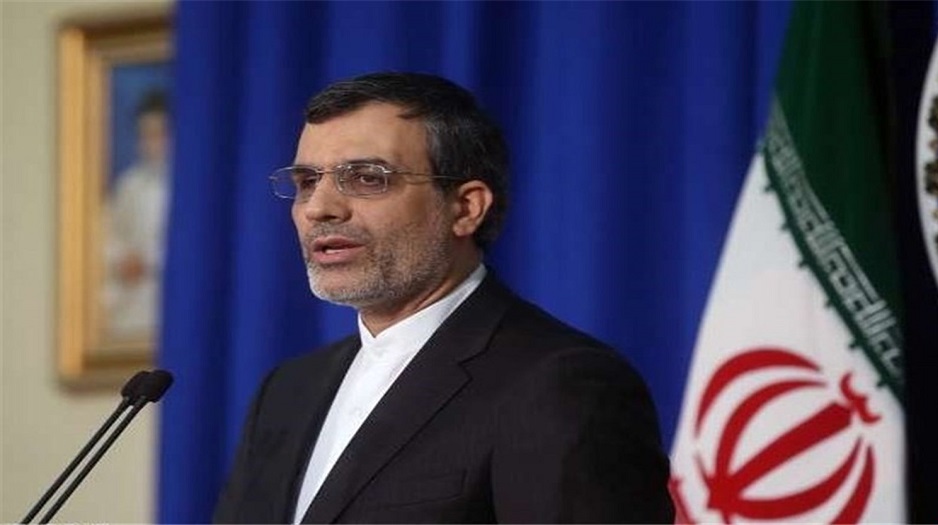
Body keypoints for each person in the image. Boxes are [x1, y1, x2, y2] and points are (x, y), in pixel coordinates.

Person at [214, 72, 674, 523]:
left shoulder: (559, 385)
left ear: (466, 208)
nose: (319, 208)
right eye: (307, 182)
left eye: (367, 178)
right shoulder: (287, 390)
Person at [103, 90, 170, 341]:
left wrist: (148, 261)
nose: (152, 143)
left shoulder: (192, 188)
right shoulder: (129, 185)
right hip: (132, 302)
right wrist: (123, 258)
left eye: (159, 134)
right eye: (145, 135)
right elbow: (111, 236)